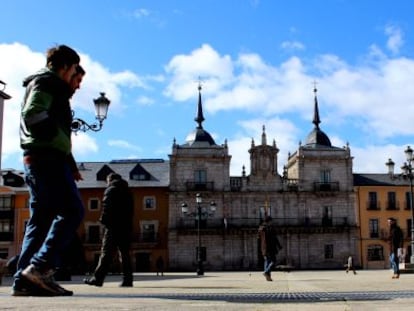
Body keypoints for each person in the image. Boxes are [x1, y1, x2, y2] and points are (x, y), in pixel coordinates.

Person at [12, 44, 85, 297]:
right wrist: (55, 144)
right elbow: (33, 114)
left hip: (38, 159)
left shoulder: (44, 84)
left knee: (40, 221)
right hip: (47, 159)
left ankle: (23, 281)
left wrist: (69, 160)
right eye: (75, 70)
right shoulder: (48, 83)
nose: (77, 81)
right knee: (73, 210)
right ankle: (40, 268)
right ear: (65, 66)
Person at [84, 173, 134, 287]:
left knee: (106, 254)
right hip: (126, 227)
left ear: (110, 180)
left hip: (113, 226)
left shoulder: (110, 190)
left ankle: (98, 279)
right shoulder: (128, 192)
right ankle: (128, 280)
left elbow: (106, 207)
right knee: (125, 254)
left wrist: (103, 221)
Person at [258, 216, 282, 281]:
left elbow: (259, 238)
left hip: (263, 247)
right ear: (269, 221)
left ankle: (268, 277)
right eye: (271, 221)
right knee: (273, 261)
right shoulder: (270, 228)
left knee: (267, 261)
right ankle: (266, 271)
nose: (272, 222)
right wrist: (279, 246)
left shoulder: (261, 228)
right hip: (270, 247)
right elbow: (274, 238)